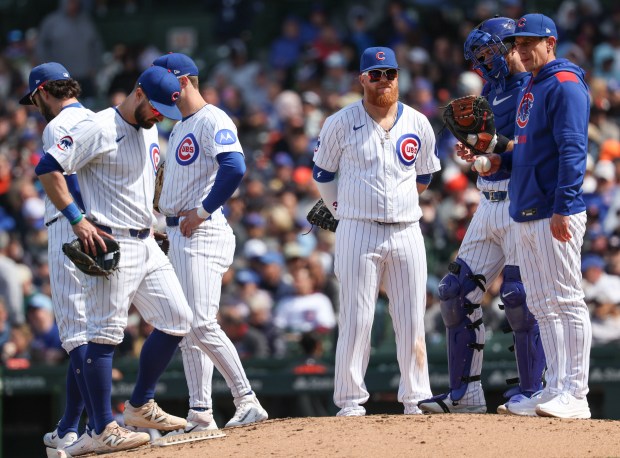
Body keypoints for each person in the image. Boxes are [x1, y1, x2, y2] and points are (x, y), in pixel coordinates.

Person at [36, 65, 195, 455]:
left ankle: (140, 405)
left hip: (145, 241)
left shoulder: (150, 126)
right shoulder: (99, 126)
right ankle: (103, 428)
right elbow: (48, 168)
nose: (159, 115)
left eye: (164, 111)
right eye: (155, 107)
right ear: (138, 93)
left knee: (178, 320)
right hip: (112, 243)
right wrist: (76, 219)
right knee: (104, 335)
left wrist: (152, 223)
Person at [417, 17, 546, 415]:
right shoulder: (491, 89)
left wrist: (493, 154)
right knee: (455, 293)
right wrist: (475, 152)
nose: (484, 62)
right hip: (487, 202)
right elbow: (491, 143)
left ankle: (533, 393)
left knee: (518, 297)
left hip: (521, 201)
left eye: (490, 52)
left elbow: (530, 147)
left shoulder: (533, 87)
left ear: (512, 46)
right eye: (480, 55)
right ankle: (465, 395)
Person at [312, 46, 441, 416]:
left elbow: (425, 174)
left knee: (412, 317)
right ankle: (350, 401)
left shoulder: (417, 121)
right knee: (356, 316)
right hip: (358, 230)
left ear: (398, 77)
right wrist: (342, 210)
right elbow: (322, 173)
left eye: (390, 74)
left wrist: (399, 202)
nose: (383, 80)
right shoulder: (340, 121)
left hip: (406, 230)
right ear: (362, 78)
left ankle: (416, 398)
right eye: (375, 74)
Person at [477, 14, 592, 419]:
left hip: (552, 210)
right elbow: (524, 149)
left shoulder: (564, 84)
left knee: (566, 300)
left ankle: (575, 393)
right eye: (518, 44)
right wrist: (495, 160)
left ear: (551, 43)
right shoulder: (534, 85)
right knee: (543, 303)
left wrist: (564, 205)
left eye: (531, 43)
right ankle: (555, 387)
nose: (523, 50)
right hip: (525, 209)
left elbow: (573, 150)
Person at [152, 53, 268, 431]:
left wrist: (201, 211)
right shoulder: (182, 125)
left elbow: (235, 166)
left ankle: (246, 399)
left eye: (165, 82)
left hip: (201, 230)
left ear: (183, 81)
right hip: (179, 230)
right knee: (186, 328)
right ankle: (200, 412)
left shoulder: (212, 117)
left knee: (200, 323)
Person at [18, 61, 96, 451]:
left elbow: (56, 176)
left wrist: (78, 218)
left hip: (70, 225)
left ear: (43, 91)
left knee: (76, 332)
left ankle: (100, 424)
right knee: (94, 328)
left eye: (35, 100)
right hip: (101, 224)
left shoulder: (56, 125)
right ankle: (69, 425)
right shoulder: (99, 119)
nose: (36, 108)